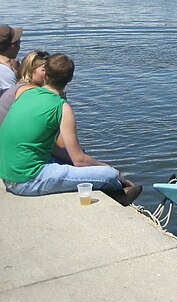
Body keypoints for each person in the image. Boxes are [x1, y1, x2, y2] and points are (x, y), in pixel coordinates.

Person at [0, 53, 141, 205]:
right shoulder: (62, 107)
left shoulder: (24, 93)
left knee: (67, 163)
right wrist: (110, 169)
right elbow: (79, 159)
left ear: (45, 74)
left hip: (7, 174)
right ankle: (120, 194)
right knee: (108, 174)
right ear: (70, 79)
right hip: (27, 181)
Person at [0, 50, 49, 126]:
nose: (48, 74)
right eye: (44, 70)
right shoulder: (28, 91)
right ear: (30, 70)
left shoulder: (18, 86)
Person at [0, 25, 23, 96]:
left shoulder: (12, 63)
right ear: (12, 46)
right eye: (19, 43)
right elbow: (10, 98)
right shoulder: (4, 72)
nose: (20, 46)